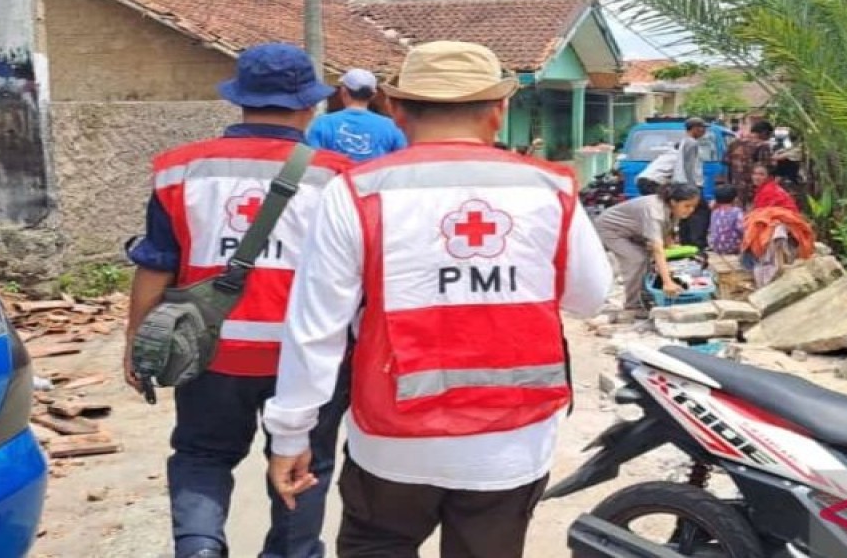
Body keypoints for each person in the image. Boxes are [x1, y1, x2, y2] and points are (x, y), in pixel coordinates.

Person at [262, 41, 612, 558]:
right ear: (499, 110)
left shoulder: (356, 192)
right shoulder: (550, 189)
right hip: (509, 443)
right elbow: (590, 298)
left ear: (397, 110)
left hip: (392, 441)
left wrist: (291, 436)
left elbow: (316, 328)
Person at [123, 43, 352, 558]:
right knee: (305, 467)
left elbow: (156, 263)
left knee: (202, 455)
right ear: (310, 105)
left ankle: (200, 548)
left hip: (206, 349)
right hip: (304, 358)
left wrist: (135, 340)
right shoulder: (337, 176)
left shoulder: (178, 170)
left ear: (240, 100)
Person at [595, 183, 701, 316]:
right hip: (610, 229)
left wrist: (672, 249)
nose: (690, 210)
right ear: (673, 202)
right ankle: (632, 305)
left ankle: (645, 294)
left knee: (650, 258)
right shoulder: (654, 212)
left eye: (693, 206)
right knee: (637, 259)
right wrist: (667, 282)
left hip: (632, 230)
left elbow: (667, 230)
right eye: (687, 206)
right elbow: (657, 248)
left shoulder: (673, 208)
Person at [305, 68, 407, 162]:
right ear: (373, 95)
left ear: (343, 92)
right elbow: (401, 160)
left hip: (333, 181)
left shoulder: (322, 123)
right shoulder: (391, 126)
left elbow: (311, 160)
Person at [673, 117, 711, 250]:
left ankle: (686, 243)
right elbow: (688, 167)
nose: (704, 130)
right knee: (700, 214)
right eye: (702, 127)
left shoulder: (685, 142)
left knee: (686, 214)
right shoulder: (691, 143)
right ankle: (697, 244)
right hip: (691, 185)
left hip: (683, 184)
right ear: (694, 128)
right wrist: (692, 188)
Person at [726, 120, 774, 207]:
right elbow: (766, 167)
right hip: (753, 187)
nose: (769, 138)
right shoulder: (762, 146)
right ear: (764, 132)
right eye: (769, 135)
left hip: (735, 185)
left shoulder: (734, 143)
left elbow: (726, 162)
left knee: (738, 210)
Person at [708, 184, 744, 255]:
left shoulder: (715, 212)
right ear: (735, 199)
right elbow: (742, 229)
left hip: (716, 246)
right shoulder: (737, 211)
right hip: (732, 247)